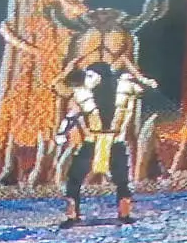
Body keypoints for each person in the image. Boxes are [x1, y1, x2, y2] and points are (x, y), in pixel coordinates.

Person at [54, 61, 157, 228]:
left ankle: (124, 214)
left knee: (122, 180)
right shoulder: (83, 94)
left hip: (116, 141)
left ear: (101, 77)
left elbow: (149, 90)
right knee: (74, 178)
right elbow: (72, 116)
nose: (87, 79)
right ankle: (72, 215)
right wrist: (61, 133)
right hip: (92, 142)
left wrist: (140, 80)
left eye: (91, 76)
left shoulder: (125, 89)